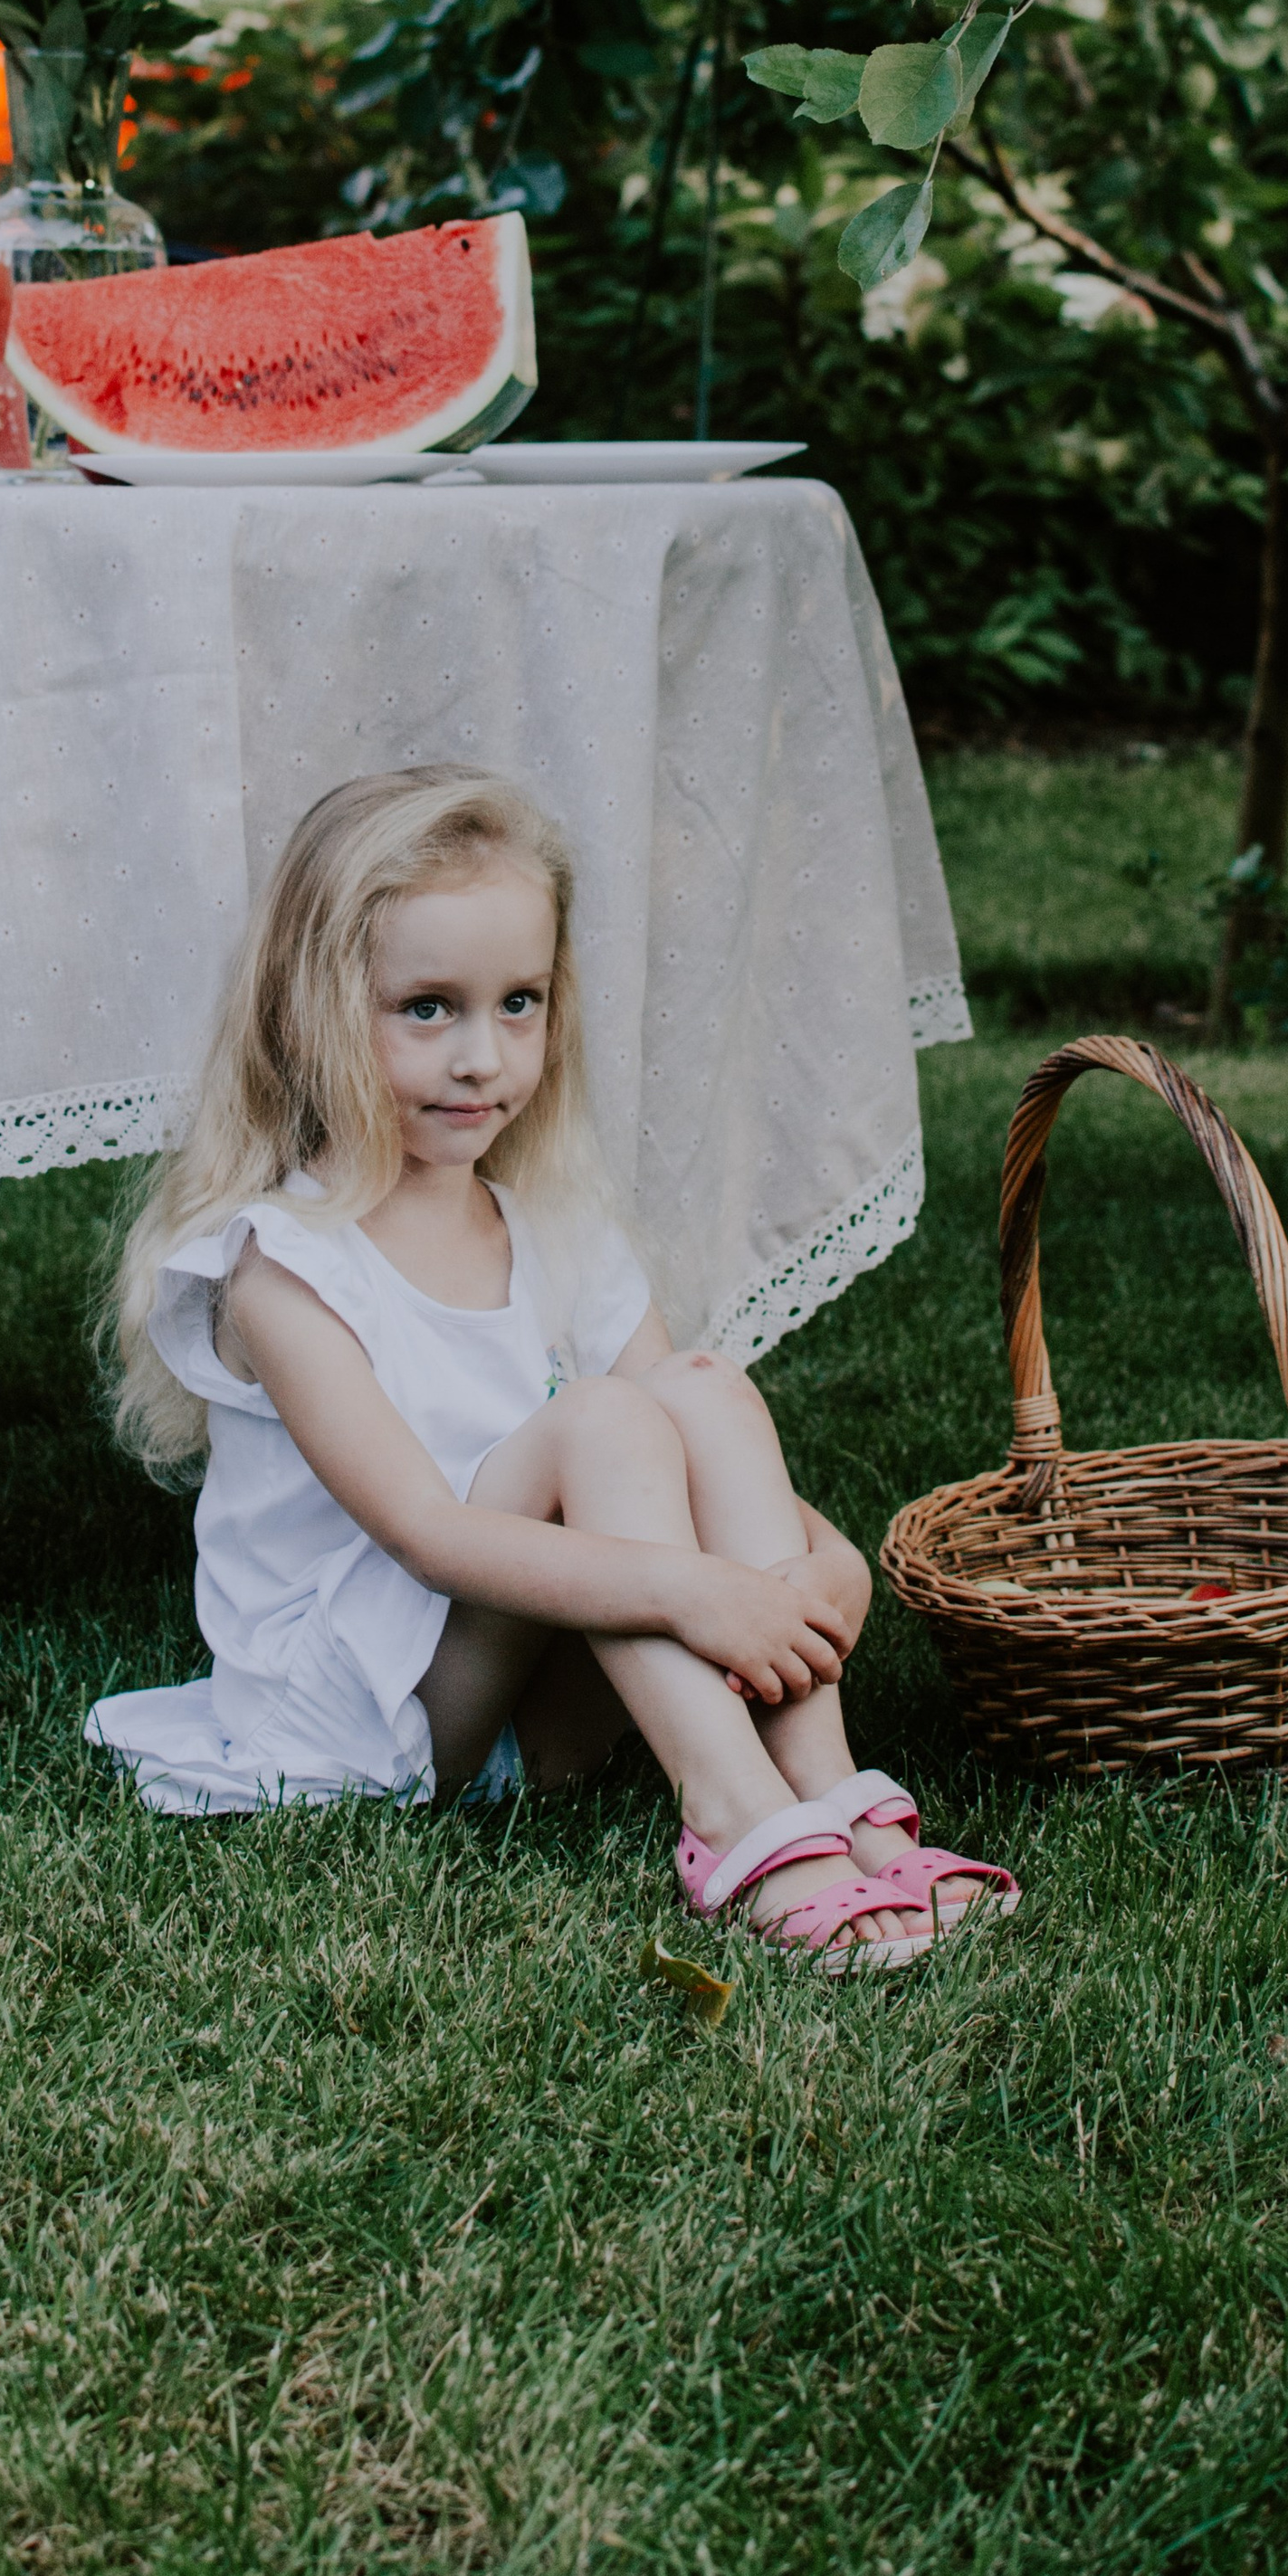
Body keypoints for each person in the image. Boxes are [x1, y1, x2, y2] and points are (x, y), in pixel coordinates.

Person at [90, 765, 1017, 1970]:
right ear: (311, 1013)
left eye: (518, 1002)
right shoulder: (286, 1267)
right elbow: (431, 1537)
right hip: (363, 1713)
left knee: (697, 1387)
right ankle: (735, 1816)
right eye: (428, 1008)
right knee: (602, 1421)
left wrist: (819, 1561)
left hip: (533, 1712)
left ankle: (829, 1795)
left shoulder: (553, 1232)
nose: (484, 1056)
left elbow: (692, 1447)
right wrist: (693, 1593)